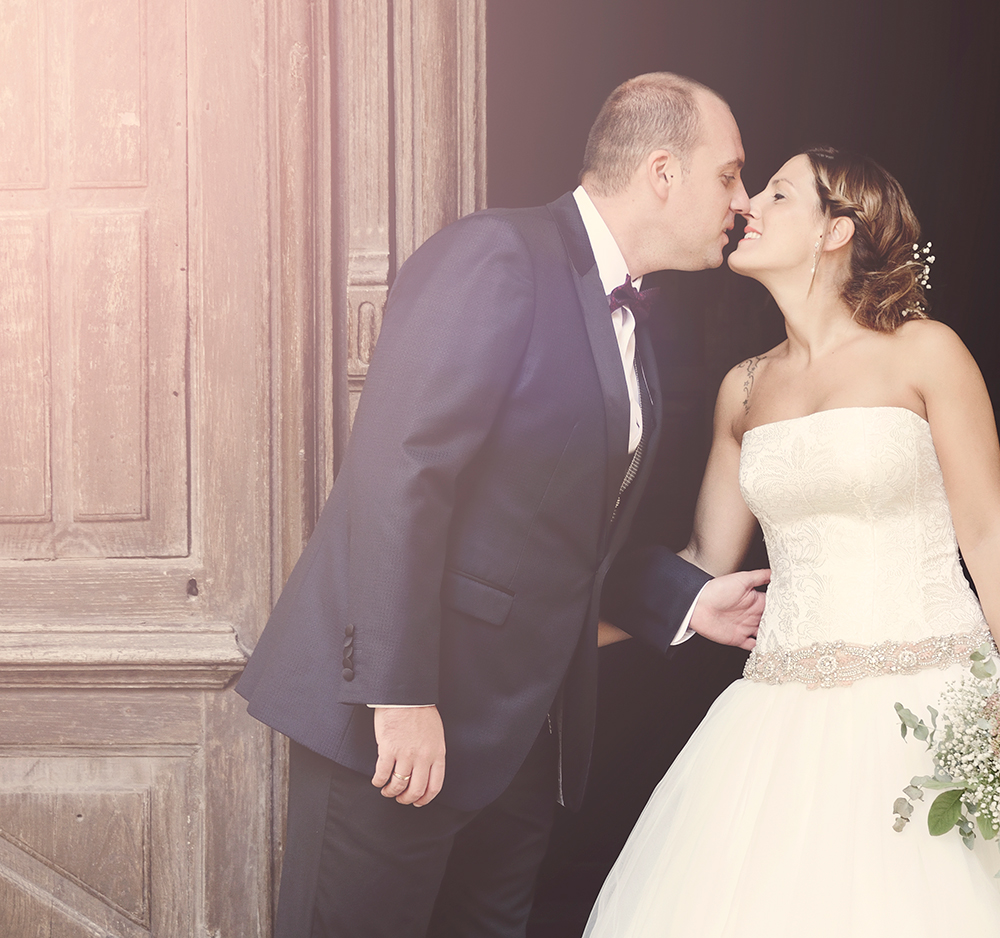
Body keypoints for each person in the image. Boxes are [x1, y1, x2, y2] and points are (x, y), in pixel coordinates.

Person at [235, 72, 773, 938]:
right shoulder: (496, 255)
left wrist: (683, 600)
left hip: (518, 740)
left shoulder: (633, 325)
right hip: (403, 724)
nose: (742, 202)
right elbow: (399, 472)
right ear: (662, 173)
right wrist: (400, 697)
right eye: (729, 175)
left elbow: (557, 538)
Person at [584, 148, 1000, 937]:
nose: (747, 205)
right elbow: (703, 563)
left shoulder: (924, 350)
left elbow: (986, 530)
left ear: (835, 230)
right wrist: (565, 628)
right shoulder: (742, 387)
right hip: (777, 715)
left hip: (933, 693)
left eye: (777, 193)